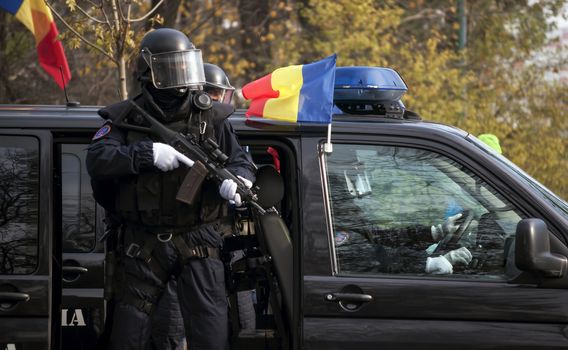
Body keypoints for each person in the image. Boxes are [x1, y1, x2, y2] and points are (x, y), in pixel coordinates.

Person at [86, 28, 256, 350]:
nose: (180, 76)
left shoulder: (212, 116)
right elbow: (98, 159)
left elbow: (241, 161)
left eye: (184, 65)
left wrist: (239, 181)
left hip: (200, 237)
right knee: (128, 335)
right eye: (171, 67)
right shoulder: (124, 116)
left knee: (211, 333)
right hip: (143, 240)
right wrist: (147, 154)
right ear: (149, 72)